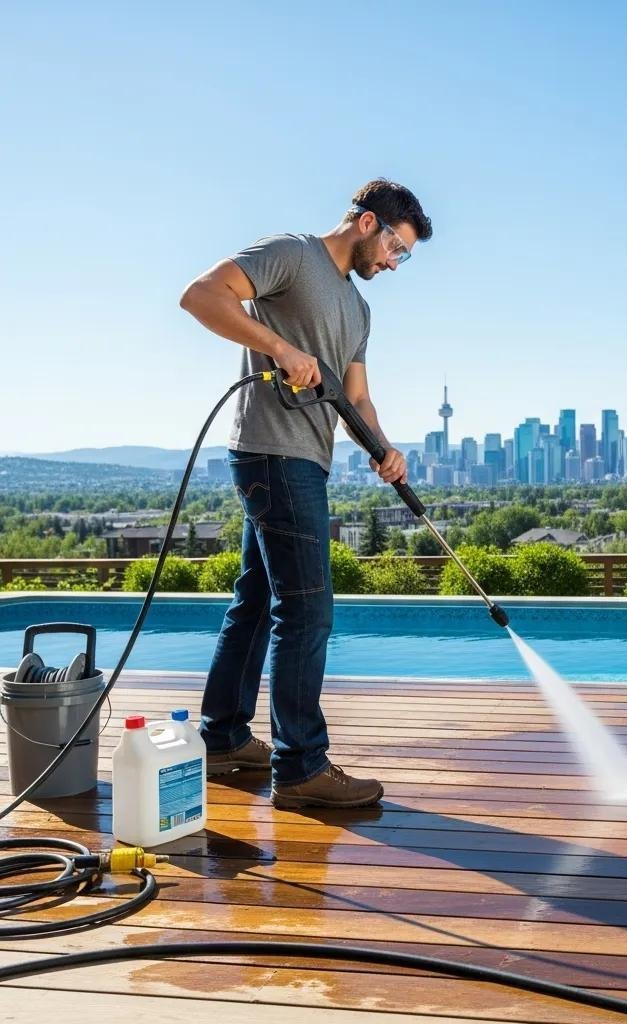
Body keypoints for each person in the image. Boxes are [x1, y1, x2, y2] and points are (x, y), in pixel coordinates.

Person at [179, 179, 432, 808]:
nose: (395, 264)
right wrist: (281, 347)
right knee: (307, 611)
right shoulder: (293, 255)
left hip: (306, 461)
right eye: (396, 249)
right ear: (369, 222)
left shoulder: (360, 309)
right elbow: (200, 296)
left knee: (260, 598)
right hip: (273, 453)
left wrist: (385, 447)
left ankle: (223, 738)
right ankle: (300, 769)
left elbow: (358, 396)